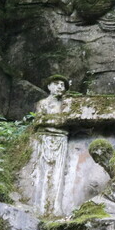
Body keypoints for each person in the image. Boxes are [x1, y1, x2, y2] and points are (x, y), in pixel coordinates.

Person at [32, 75, 70, 215]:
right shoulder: (43, 103)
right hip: (45, 139)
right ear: (49, 86)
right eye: (56, 83)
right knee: (42, 173)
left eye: (62, 84)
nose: (60, 86)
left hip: (61, 139)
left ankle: (55, 207)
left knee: (58, 174)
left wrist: (53, 122)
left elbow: (68, 121)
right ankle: (39, 206)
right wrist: (57, 122)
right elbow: (39, 122)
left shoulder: (67, 104)